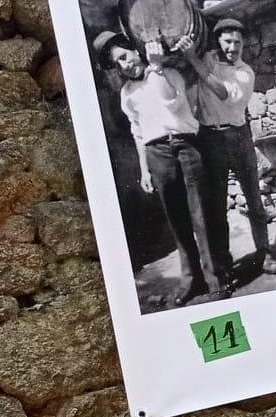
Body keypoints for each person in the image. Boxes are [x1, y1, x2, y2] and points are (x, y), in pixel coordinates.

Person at [95, 29, 224, 306]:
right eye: (118, 63)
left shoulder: (168, 73)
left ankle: (214, 279)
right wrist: (144, 169)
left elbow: (173, 104)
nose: (125, 64)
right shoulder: (127, 93)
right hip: (157, 154)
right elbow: (138, 132)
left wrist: (156, 69)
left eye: (125, 56)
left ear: (136, 50)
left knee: (200, 215)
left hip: (186, 146)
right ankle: (191, 280)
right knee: (177, 220)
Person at [190, 18, 276, 282]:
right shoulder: (207, 59)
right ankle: (223, 263)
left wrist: (192, 60)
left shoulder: (245, 72)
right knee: (217, 206)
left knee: (254, 198)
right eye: (228, 42)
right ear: (218, 41)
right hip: (210, 138)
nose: (233, 47)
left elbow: (222, 93)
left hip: (239, 136)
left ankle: (264, 252)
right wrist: (192, 56)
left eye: (238, 43)